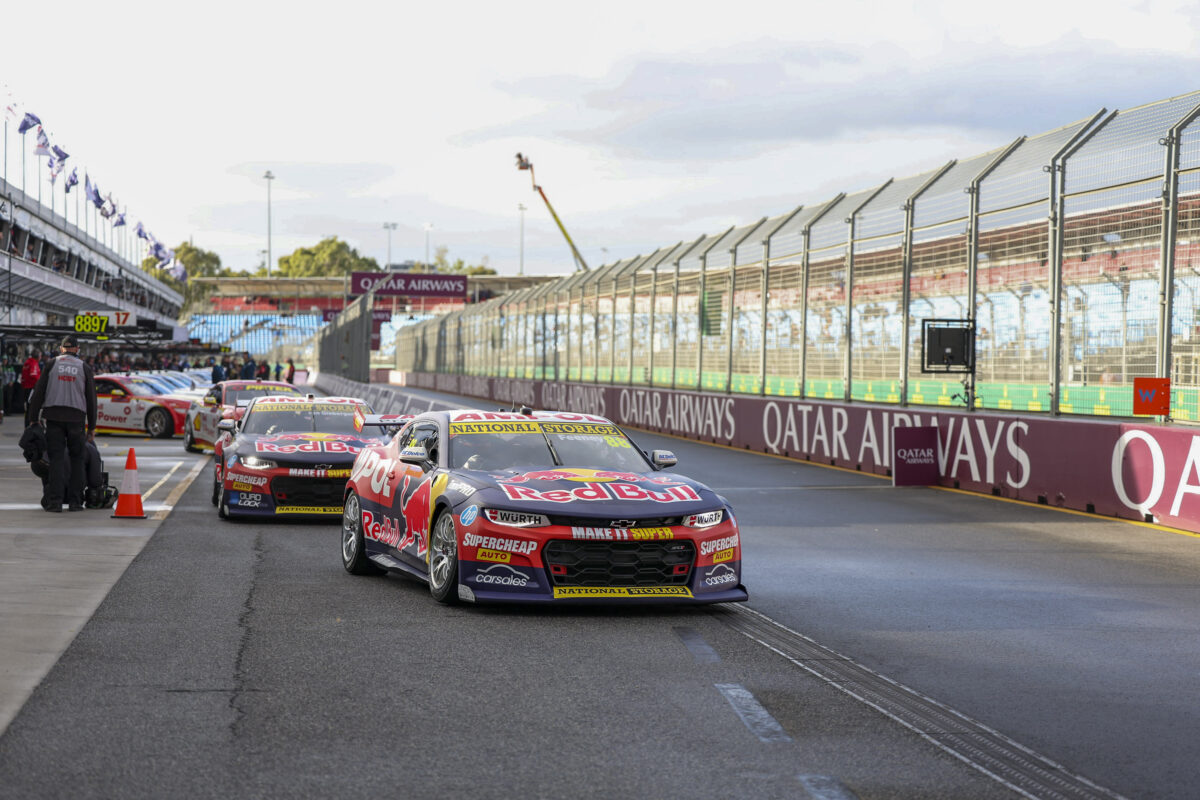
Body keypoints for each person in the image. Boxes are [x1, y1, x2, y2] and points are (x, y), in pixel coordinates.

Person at [27, 335, 97, 512]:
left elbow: (38, 393)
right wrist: (92, 427)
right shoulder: (84, 367)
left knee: (56, 460)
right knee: (77, 460)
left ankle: (55, 502)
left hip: (54, 418)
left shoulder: (51, 364)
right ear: (77, 349)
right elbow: (91, 400)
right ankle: (75, 502)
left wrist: (33, 418)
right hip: (76, 419)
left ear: (61, 349)